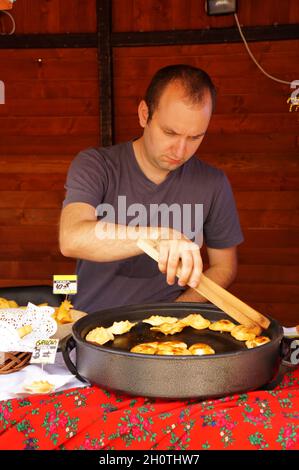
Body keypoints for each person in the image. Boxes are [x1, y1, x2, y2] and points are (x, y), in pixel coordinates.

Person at [59, 64, 243, 314]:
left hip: (167, 337)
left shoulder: (213, 183)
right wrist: (157, 237)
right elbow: (71, 238)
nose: (180, 151)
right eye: (170, 133)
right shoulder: (96, 165)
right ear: (145, 114)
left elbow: (224, 267)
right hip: (91, 326)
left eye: (195, 137)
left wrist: (171, 314)